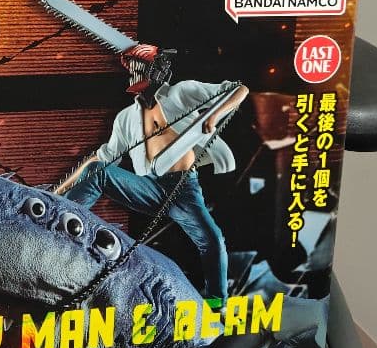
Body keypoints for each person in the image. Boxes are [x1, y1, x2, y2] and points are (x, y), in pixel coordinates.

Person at [57, 44, 249, 307]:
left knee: (212, 240)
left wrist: (214, 116)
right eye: (131, 70)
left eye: (139, 68)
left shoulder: (182, 93)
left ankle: (217, 302)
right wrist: (57, 193)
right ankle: (58, 224)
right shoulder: (125, 118)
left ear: (157, 71)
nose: (133, 75)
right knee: (97, 172)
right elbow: (100, 158)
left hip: (183, 189)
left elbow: (240, 89)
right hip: (150, 187)